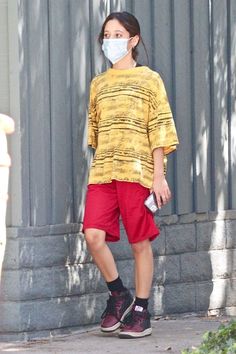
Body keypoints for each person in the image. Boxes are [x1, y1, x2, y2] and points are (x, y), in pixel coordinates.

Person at [83, 11, 179, 339]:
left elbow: (160, 128)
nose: (110, 41)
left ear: (133, 40)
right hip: (104, 173)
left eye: (117, 35)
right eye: (106, 36)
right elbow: (95, 133)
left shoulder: (149, 80)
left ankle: (140, 309)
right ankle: (118, 294)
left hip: (138, 173)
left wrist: (158, 176)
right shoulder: (98, 84)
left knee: (139, 242)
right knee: (93, 235)